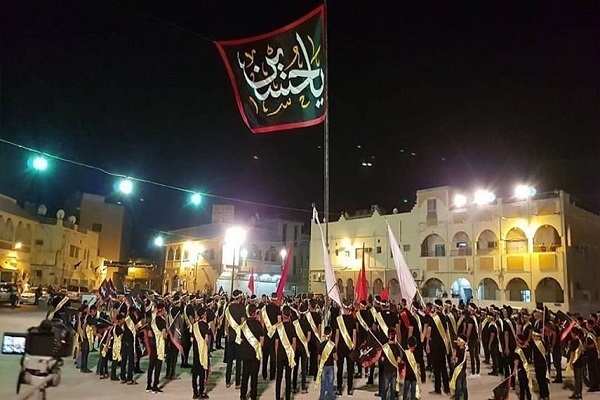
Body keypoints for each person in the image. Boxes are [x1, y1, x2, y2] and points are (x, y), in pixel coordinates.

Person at [425, 299, 450, 395]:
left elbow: (429, 331)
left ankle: (438, 389)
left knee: (436, 368)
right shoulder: (444, 318)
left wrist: (427, 343)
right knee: (443, 367)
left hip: (435, 345)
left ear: (436, 307)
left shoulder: (433, 318)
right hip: (442, 346)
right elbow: (446, 332)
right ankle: (446, 388)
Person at [240, 303, 264, 400]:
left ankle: (242, 395)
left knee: (245, 376)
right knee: (254, 376)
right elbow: (262, 340)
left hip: (245, 353)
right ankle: (253, 396)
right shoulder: (258, 324)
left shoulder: (244, 325)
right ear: (255, 313)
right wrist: (258, 348)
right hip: (255, 353)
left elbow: (241, 338)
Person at [275, 305, 297, 400]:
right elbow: (294, 343)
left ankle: (277, 397)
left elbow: (276, 344)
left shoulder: (278, 327)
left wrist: (276, 356)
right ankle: (288, 397)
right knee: (288, 378)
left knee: (279, 378)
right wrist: (292, 354)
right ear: (289, 315)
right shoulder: (292, 327)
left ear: (282, 314)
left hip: (280, 354)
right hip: (289, 355)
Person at [335, 301, 356, 396]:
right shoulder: (353, 319)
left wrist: (335, 348)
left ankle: (339, 388)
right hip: (350, 347)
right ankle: (349, 389)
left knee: (340, 369)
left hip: (340, 347)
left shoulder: (339, 319)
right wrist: (354, 346)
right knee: (350, 370)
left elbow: (337, 335)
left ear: (343, 307)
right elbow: (354, 334)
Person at [147, 302, 167, 394]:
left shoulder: (153, 321)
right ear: (161, 310)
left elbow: (150, 333)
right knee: (158, 366)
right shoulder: (162, 321)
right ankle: (155, 385)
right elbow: (164, 335)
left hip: (152, 344)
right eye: (164, 310)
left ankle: (148, 385)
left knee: (151, 365)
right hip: (159, 346)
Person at [191, 307, 210, 399]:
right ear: (202, 315)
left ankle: (195, 392)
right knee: (202, 372)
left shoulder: (194, 325)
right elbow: (206, 339)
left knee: (195, 373)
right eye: (205, 314)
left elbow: (191, 339)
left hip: (195, 351)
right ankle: (201, 392)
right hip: (202, 350)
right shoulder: (205, 325)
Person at [380, 328, 403, 400]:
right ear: (395, 336)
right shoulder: (396, 347)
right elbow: (399, 360)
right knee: (393, 388)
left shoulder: (384, 347)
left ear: (387, 335)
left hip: (386, 370)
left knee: (385, 387)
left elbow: (382, 359)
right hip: (394, 370)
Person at [316, 326, 336, 400]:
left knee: (323, 383)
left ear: (324, 334)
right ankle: (331, 397)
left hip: (323, 366)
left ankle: (322, 397)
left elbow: (318, 357)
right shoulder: (332, 345)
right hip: (331, 366)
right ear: (331, 334)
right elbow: (335, 357)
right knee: (330, 383)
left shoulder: (321, 345)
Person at [450, 334, 469, 400]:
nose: (457, 341)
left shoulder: (463, 351)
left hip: (460, 371)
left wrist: (454, 357)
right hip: (461, 370)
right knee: (464, 386)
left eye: (458, 340)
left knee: (458, 387)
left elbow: (455, 360)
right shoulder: (462, 349)